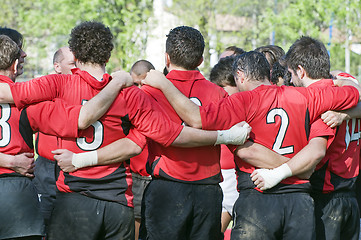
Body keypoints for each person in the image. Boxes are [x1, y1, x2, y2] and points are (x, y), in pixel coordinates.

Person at [0, 21, 251, 240]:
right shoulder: (131, 94)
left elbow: (14, 95)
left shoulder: (55, 85)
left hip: (74, 199)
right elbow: (168, 135)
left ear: (74, 55)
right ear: (108, 55)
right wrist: (224, 136)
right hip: (119, 202)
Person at [141, 50, 360, 240]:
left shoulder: (241, 101)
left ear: (240, 76)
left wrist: (163, 83)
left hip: (257, 197)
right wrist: (340, 84)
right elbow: (353, 93)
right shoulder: (305, 96)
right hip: (299, 199)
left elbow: (196, 118)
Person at [252, 37, 361, 240]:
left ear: (301, 71)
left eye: (292, 74)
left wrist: (277, 172)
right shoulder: (345, 87)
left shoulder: (318, 99)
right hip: (351, 195)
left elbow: (316, 152)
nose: (291, 80)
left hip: (327, 196)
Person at [136, 26, 232, 240]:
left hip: (167, 187)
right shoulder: (219, 93)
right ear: (201, 60)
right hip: (207, 190)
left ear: (167, 58)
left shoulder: (149, 91)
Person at [209, 56, 239, 235]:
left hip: (239, 178)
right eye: (217, 88)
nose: (220, 94)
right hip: (218, 176)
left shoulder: (249, 105)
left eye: (224, 88)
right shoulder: (215, 107)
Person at [129, 59, 155, 240]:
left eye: (143, 83)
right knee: (136, 220)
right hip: (135, 176)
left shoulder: (161, 100)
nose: (139, 88)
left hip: (157, 176)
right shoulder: (127, 100)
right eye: (135, 84)